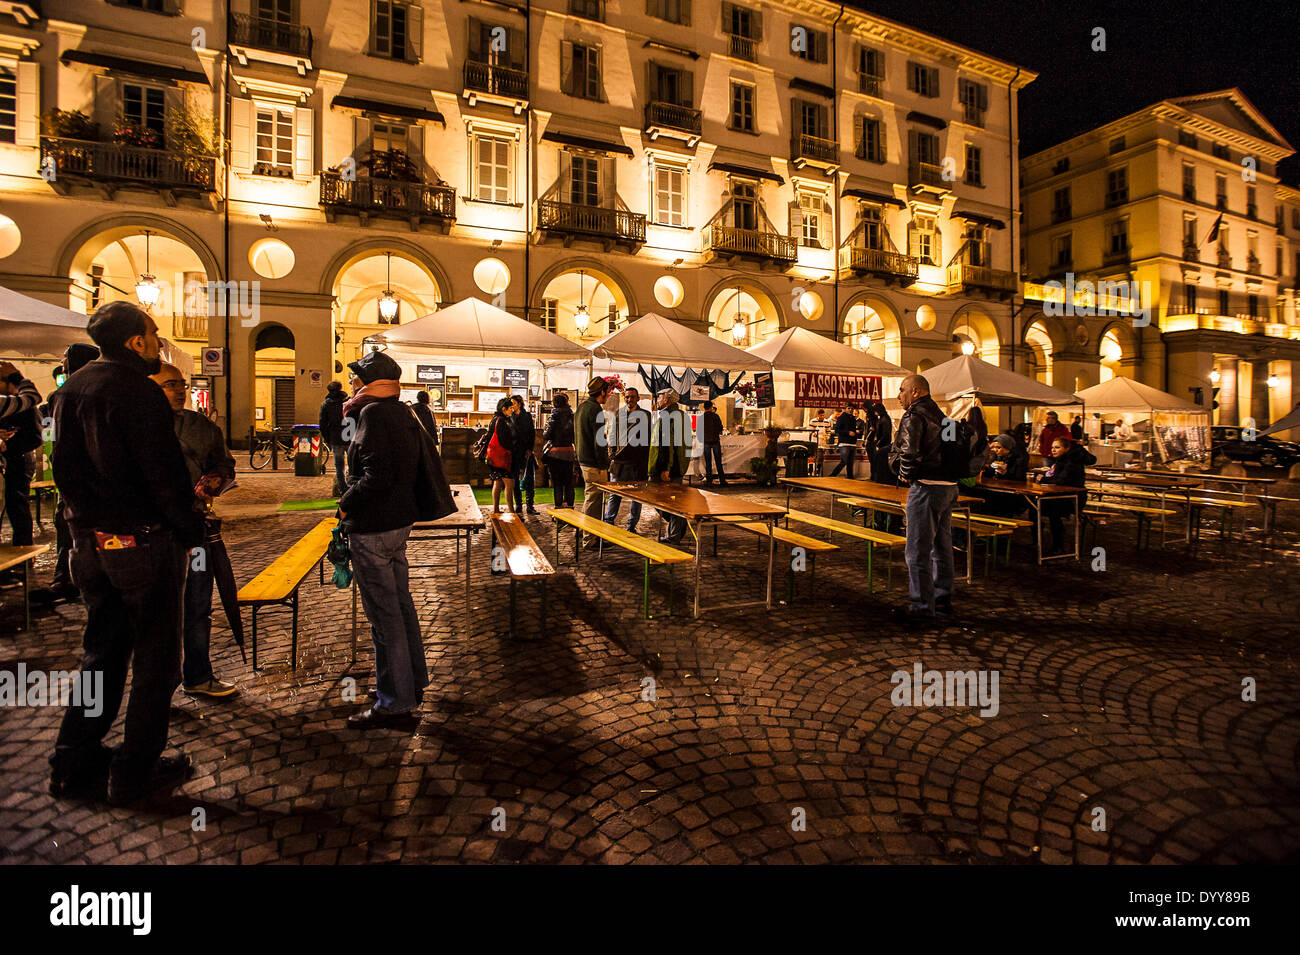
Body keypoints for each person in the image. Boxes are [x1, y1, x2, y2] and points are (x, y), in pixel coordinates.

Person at [48, 301, 202, 805]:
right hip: (140, 540)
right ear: (136, 341)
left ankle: (73, 759)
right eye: (154, 334)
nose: (159, 343)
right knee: (157, 659)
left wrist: (81, 524)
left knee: (102, 651)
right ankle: (136, 770)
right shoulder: (137, 391)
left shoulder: (73, 388)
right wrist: (189, 529)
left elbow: (62, 466)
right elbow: (164, 475)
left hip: (87, 541)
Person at [338, 350, 426, 730]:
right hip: (397, 525)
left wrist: (345, 504)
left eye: (358, 378)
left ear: (372, 382)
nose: (353, 384)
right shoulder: (401, 411)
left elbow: (375, 475)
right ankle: (410, 682)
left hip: (374, 528)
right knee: (401, 607)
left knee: (384, 616)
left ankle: (395, 701)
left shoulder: (373, 414)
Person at [149, 362, 239, 699]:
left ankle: (198, 674)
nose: (178, 391)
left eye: (180, 384)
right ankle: (155, 691)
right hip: (152, 535)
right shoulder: (134, 424)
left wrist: (216, 477)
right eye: (168, 385)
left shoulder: (200, 427)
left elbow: (224, 463)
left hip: (195, 531)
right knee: (156, 612)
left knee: (198, 603)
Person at [28, 345, 100, 604]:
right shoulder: (65, 394)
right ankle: (65, 578)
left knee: (78, 531)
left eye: (66, 359)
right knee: (66, 529)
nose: (62, 363)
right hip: (71, 478)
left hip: (83, 479)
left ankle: (78, 580)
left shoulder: (81, 395)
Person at [888, 374, 956, 623]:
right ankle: (942, 597)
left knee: (917, 549)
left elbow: (910, 451)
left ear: (916, 392)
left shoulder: (914, 416)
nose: (899, 395)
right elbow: (948, 450)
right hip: (948, 485)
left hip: (926, 486)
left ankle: (921, 607)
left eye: (902, 390)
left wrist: (905, 475)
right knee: (942, 545)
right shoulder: (942, 415)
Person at [0, 361, 42, 586]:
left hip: (17, 462)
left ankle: (23, 557)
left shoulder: (22, 407)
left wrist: (9, 448)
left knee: (17, 507)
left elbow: (35, 437)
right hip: (5, 462)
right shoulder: (8, 403)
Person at [1036, 435, 1096, 555]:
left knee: (1050, 511)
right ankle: (1039, 542)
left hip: (1074, 499)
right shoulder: (1063, 459)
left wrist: (1043, 479)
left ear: (1066, 448)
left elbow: (1061, 480)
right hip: (1063, 496)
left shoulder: (1072, 461)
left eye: (1057, 447)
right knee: (1035, 507)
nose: (1053, 450)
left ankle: (1056, 545)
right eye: (1052, 447)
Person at [649, 387, 692, 545]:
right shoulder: (682, 416)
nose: (657, 400)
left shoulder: (669, 417)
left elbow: (667, 445)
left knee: (659, 499)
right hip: (678, 466)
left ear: (667, 400)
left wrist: (666, 468)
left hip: (668, 467)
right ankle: (677, 526)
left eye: (659, 398)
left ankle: (675, 531)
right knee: (672, 502)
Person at [604, 386, 650, 531]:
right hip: (620, 462)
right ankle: (608, 522)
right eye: (627, 397)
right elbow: (612, 435)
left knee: (637, 497)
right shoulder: (619, 414)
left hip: (638, 462)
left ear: (638, 398)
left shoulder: (646, 415)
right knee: (615, 494)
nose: (630, 399)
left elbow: (648, 439)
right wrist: (611, 454)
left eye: (632, 397)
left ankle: (632, 525)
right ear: (625, 398)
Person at [575, 376, 610, 548]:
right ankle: (590, 538)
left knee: (591, 498)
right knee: (594, 500)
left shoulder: (581, 407)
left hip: (583, 459)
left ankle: (586, 532)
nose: (609, 395)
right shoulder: (596, 409)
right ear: (602, 392)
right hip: (594, 463)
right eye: (608, 392)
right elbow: (600, 441)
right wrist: (605, 462)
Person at [974, 434, 1031, 518]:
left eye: (999, 447)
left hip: (1013, 492)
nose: (996, 450)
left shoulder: (1019, 459)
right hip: (997, 488)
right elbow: (990, 472)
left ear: (1007, 448)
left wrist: (1006, 473)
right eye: (995, 447)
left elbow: (1019, 478)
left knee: (998, 501)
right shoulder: (996, 458)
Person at [481, 396, 516, 515]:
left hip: (493, 458)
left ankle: (496, 509)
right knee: (509, 483)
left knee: (497, 482)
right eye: (510, 408)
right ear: (503, 409)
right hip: (502, 458)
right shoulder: (502, 421)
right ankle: (512, 512)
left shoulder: (494, 419)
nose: (512, 410)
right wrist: (512, 448)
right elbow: (504, 440)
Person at [542, 393, 576, 508]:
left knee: (557, 483)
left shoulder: (554, 416)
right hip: (569, 452)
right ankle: (570, 506)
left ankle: (559, 507)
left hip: (555, 453)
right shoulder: (572, 415)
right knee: (568, 483)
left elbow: (546, 435)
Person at [509, 395, 537, 515]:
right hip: (515, 452)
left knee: (529, 479)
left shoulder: (527, 416)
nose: (512, 406)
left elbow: (532, 433)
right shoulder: (510, 417)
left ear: (519, 404)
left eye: (514, 403)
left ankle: (530, 506)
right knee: (515, 479)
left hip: (526, 452)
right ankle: (519, 505)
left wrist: (530, 449)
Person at [318, 380, 348, 496]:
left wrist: (327, 438)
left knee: (339, 466)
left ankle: (343, 491)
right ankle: (353, 489)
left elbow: (322, 424)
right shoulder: (348, 401)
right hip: (349, 436)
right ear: (340, 388)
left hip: (335, 439)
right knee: (353, 463)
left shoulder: (326, 404)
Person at [700, 400, 727, 485]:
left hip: (706, 441)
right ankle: (722, 480)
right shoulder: (716, 416)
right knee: (718, 461)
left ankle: (709, 480)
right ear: (711, 407)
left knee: (708, 462)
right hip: (715, 441)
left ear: (704, 408)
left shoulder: (701, 418)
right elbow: (720, 428)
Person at [829, 402, 858, 478]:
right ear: (845, 409)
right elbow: (837, 430)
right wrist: (848, 433)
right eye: (849, 408)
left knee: (850, 463)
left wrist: (856, 433)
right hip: (844, 443)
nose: (850, 410)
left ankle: (850, 478)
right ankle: (833, 475)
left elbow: (853, 430)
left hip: (852, 443)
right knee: (844, 461)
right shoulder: (841, 418)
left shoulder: (853, 419)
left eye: (852, 408)